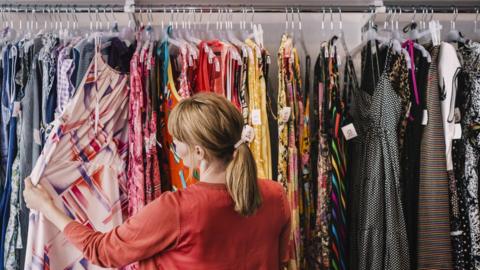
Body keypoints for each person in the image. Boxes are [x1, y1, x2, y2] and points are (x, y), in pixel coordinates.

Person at [23, 93, 291, 270]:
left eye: (178, 143)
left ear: (199, 152)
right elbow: (281, 262)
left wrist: (48, 208)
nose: (175, 148)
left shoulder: (178, 209)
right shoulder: (275, 196)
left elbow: (103, 251)